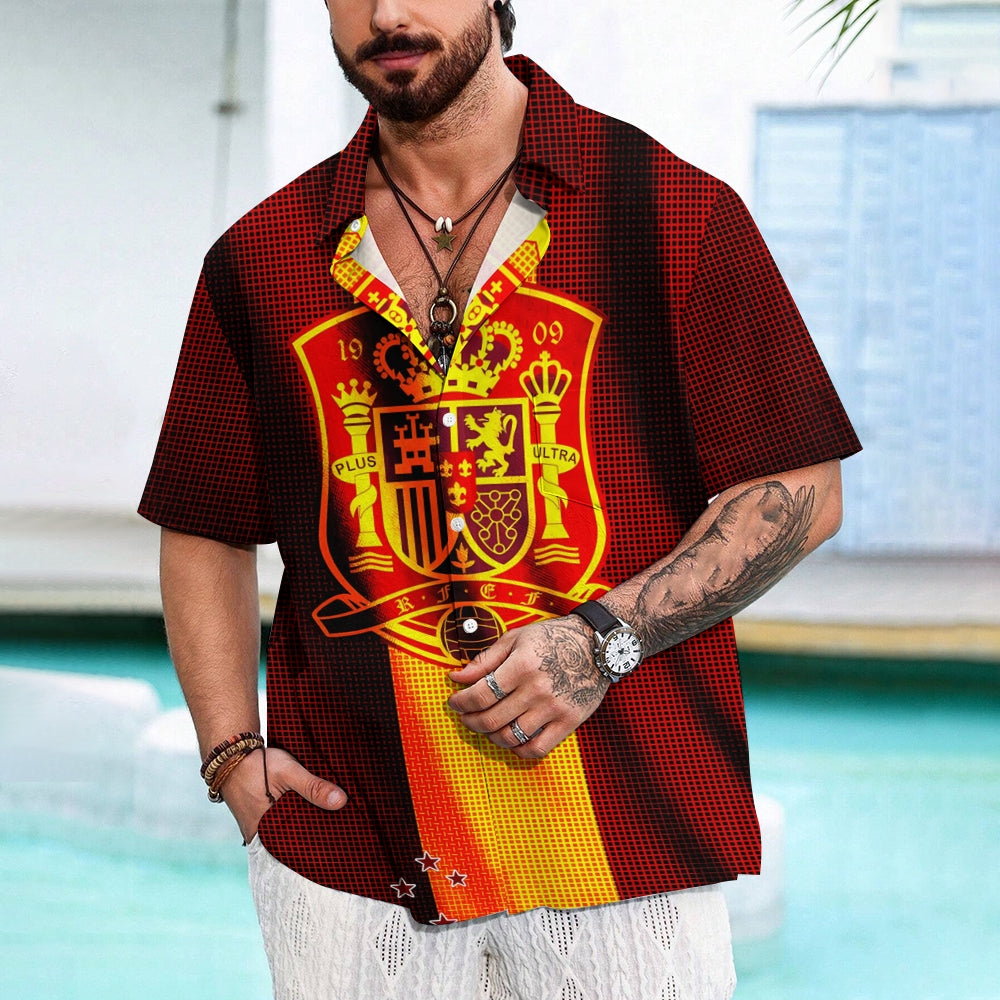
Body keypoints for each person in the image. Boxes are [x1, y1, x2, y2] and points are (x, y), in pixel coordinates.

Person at [140, 2, 861, 997]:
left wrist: (602, 641)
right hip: (355, 854)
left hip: (621, 841)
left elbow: (800, 487)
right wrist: (231, 757)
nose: (387, 14)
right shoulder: (261, 258)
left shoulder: (669, 212)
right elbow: (203, 522)